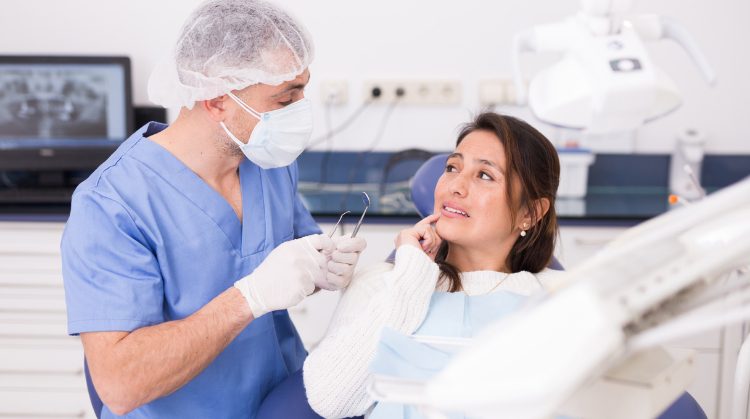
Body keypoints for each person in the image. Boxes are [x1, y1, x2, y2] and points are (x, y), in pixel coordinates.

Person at [60, 1, 366, 417]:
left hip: (280, 401)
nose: (301, 110)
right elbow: (119, 384)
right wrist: (248, 298)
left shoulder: (267, 161)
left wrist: (323, 266)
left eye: (303, 90)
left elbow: (291, 254)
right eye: (285, 98)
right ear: (217, 100)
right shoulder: (113, 205)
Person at [302, 112, 562, 418]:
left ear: (530, 212)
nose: (456, 186)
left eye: (485, 175)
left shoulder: (557, 298)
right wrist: (411, 276)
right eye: (453, 167)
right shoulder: (383, 283)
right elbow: (331, 400)